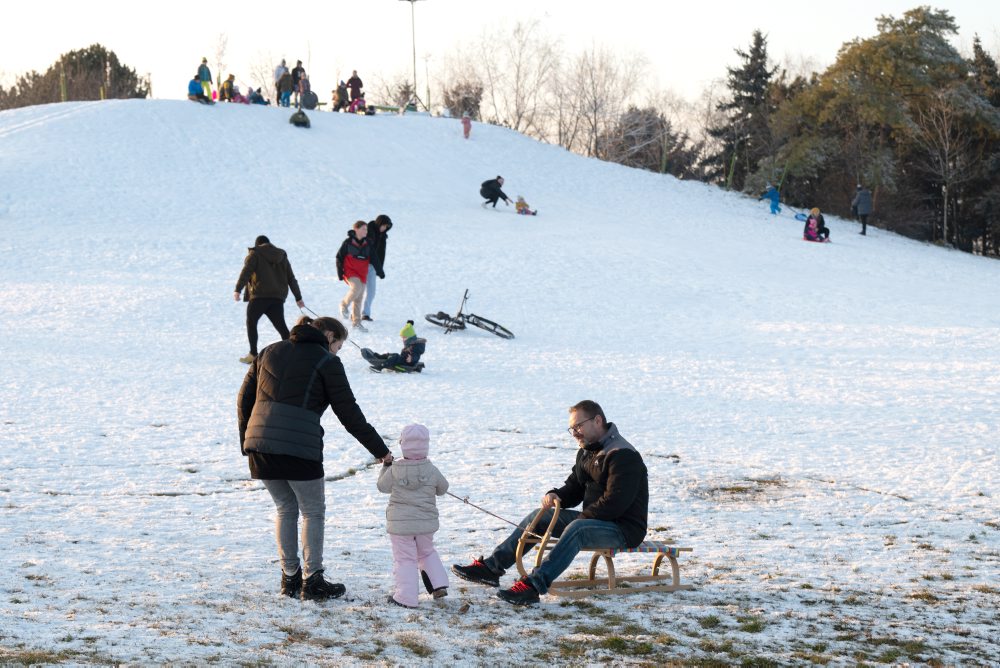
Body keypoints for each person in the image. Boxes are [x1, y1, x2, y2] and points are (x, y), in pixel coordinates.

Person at [238, 315, 392, 601]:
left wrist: (248, 442)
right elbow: (349, 413)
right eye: (339, 346)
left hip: (260, 447)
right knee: (312, 511)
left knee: (285, 507)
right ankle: (313, 580)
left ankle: (290, 578)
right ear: (330, 336)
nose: (336, 352)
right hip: (300, 449)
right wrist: (381, 451)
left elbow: (244, 399)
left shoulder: (270, 350)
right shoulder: (327, 362)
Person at [453, 400, 648, 606]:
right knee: (541, 515)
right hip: (594, 520)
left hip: (623, 530)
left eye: (578, 426)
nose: (574, 432)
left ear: (597, 420)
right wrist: (556, 495)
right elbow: (574, 488)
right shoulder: (586, 451)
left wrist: (582, 519)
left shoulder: (623, 455)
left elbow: (615, 503)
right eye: (571, 428)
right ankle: (491, 568)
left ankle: (534, 585)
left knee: (578, 529)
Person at [377, 423, 449, 607]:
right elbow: (443, 489)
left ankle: (406, 597)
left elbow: (382, 487)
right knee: (427, 552)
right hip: (425, 524)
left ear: (402, 444)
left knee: (405, 559)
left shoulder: (395, 469)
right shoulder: (431, 469)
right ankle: (438, 584)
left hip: (401, 526)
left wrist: (386, 466)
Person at [234, 235, 305, 364]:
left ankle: (253, 354)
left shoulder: (255, 254)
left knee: (251, 322)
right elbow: (291, 278)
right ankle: (293, 352)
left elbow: (246, 272)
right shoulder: (281, 255)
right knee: (281, 327)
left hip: (259, 297)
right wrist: (298, 298)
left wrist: (238, 289)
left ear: (257, 245)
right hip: (276, 298)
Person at [335, 221, 375, 331]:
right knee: (356, 287)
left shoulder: (368, 243)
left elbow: (374, 257)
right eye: (363, 229)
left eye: (366, 229)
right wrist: (339, 272)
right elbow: (339, 257)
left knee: (359, 297)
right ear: (356, 229)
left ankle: (356, 322)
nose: (366, 231)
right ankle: (343, 305)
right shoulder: (348, 242)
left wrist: (380, 270)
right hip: (350, 272)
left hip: (362, 273)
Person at [361, 214, 392, 322]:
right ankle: (354, 313)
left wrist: (380, 269)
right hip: (362, 264)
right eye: (383, 226)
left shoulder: (382, 236)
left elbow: (380, 253)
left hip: (373, 266)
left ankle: (365, 314)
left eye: (386, 227)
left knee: (371, 291)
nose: (384, 228)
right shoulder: (368, 231)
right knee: (358, 290)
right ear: (379, 223)